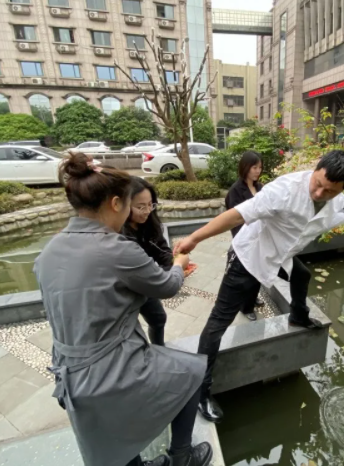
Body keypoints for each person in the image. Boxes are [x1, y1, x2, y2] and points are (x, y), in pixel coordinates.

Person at [174, 150, 344, 423]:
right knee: (218, 323)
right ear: (316, 169)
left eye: (329, 191)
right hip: (248, 257)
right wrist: (194, 238)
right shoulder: (284, 190)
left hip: (281, 255)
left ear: (342, 189)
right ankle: (201, 389)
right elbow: (236, 215)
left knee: (302, 276)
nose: (319, 193)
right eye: (317, 184)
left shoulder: (341, 203)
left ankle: (298, 316)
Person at [34, 153, 212, 466]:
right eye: (131, 204)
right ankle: (182, 457)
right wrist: (180, 264)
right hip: (108, 368)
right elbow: (167, 286)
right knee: (192, 372)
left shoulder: (50, 250)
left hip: (67, 372)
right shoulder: (117, 249)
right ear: (116, 204)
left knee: (112, 441)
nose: (135, 211)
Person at [122, 178, 172, 345]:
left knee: (158, 318)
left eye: (151, 204)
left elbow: (162, 249)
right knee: (128, 330)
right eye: (140, 207)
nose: (147, 211)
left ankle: (159, 348)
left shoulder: (149, 223)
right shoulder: (118, 233)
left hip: (145, 283)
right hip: (125, 288)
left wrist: (173, 264)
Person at [224, 151, 265, 321]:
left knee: (258, 271)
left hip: (260, 237)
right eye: (254, 167)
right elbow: (234, 220)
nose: (258, 171)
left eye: (260, 167)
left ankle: (252, 297)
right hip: (245, 239)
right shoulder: (235, 191)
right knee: (247, 273)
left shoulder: (260, 187)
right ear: (245, 167)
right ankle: (246, 307)